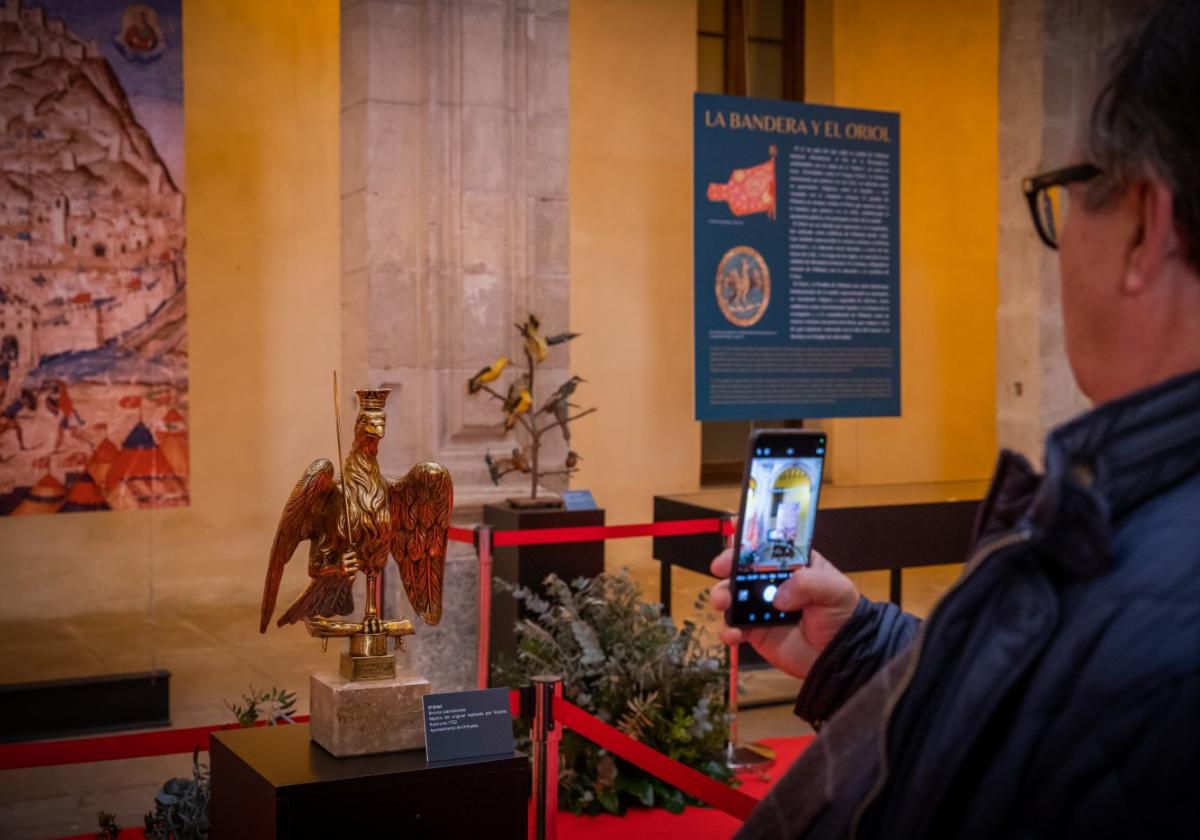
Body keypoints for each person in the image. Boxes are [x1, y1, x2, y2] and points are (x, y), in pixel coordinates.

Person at [709, 3, 1200, 837]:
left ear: (1146, 227)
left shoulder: (1153, 615)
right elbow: (1028, 716)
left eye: (1067, 192)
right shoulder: (1134, 544)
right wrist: (860, 645)